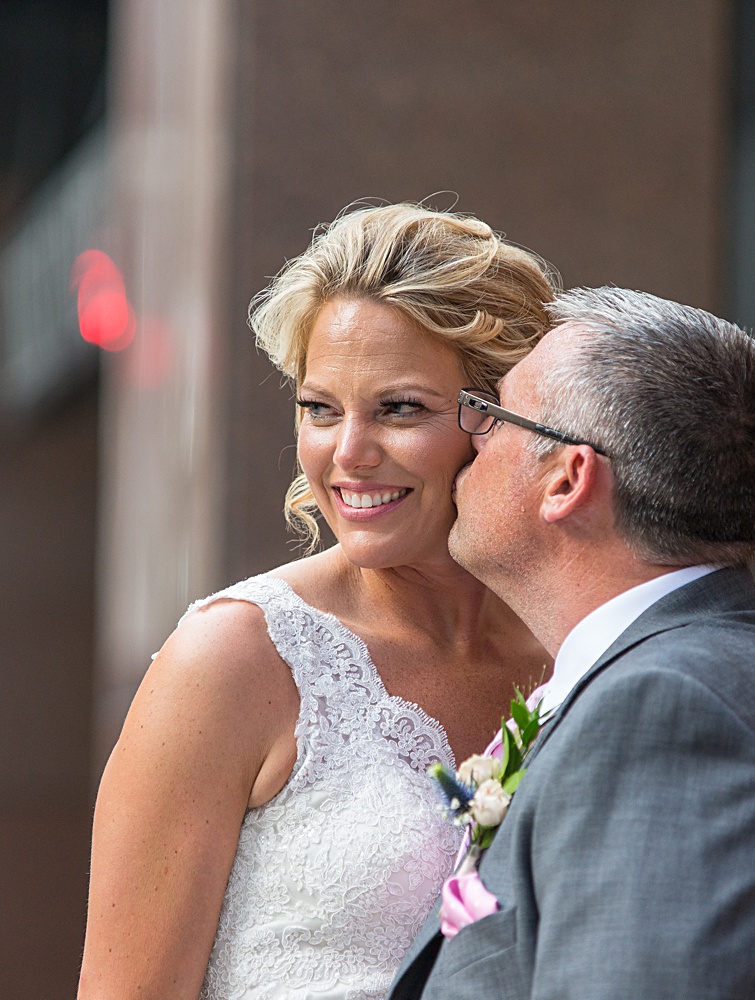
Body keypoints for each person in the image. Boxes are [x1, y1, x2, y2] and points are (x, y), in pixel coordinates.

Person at [390, 287, 755, 1000]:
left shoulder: (670, 717)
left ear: (566, 478)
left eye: (493, 414)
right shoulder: (730, 677)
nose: (469, 440)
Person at [77, 204, 559, 1000]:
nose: (350, 453)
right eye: (320, 408)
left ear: (500, 417)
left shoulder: (569, 654)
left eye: (399, 408)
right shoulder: (235, 660)